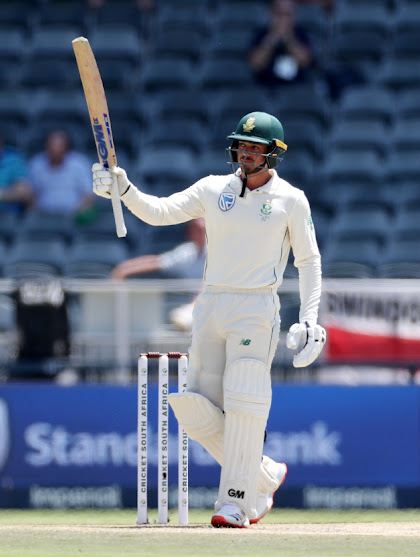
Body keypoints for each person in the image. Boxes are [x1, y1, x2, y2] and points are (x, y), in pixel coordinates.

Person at [92, 111, 326, 528]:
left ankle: (236, 503)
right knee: (196, 409)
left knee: (245, 395)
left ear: (274, 154)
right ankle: (263, 473)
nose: (246, 153)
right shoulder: (213, 188)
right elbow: (159, 212)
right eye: (242, 145)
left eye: (256, 147)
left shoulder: (291, 199)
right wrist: (123, 188)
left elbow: (308, 261)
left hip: (256, 308)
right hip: (211, 303)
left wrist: (310, 317)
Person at [111, 218, 206, 331]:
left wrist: (193, 307)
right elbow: (157, 261)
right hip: (191, 311)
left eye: (202, 229)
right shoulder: (187, 251)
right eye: (194, 229)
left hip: (210, 308)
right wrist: (124, 269)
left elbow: (210, 283)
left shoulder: (219, 252)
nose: (197, 232)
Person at [27, 129, 95, 219]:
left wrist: (77, 212)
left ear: (67, 147)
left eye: (59, 146)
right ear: (46, 146)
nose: (55, 149)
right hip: (43, 215)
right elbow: (30, 194)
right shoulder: (36, 163)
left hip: (74, 216)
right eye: (52, 145)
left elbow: (89, 194)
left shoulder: (79, 164)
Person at [248, 0, 315, 87]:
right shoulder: (261, 34)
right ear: (271, 14)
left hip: (296, 89)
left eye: (287, 15)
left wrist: (289, 39)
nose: (283, 20)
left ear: (293, 16)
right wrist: (271, 39)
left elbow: (305, 61)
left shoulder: (301, 34)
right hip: (266, 89)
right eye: (279, 14)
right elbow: (255, 64)